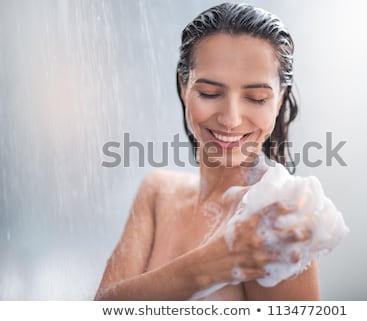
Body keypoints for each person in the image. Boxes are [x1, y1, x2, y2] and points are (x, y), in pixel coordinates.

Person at [95, 2, 320, 300]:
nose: (231, 119)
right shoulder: (157, 193)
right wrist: (216, 262)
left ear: (279, 101)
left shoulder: (275, 223)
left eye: (256, 98)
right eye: (210, 93)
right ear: (183, 84)